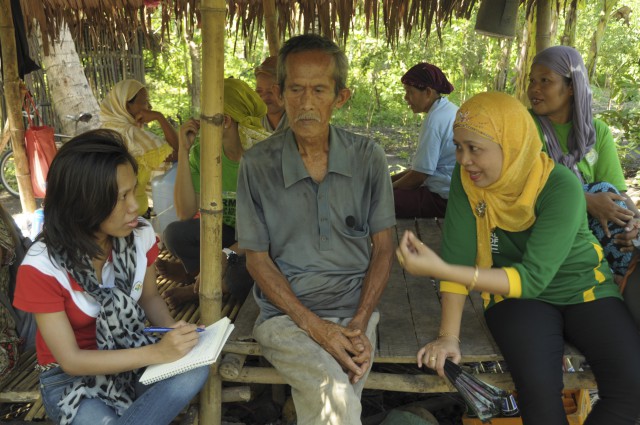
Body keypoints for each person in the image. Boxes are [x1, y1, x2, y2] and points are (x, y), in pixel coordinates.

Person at [397, 92, 640, 425]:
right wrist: (448, 337)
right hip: (515, 298)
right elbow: (457, 255)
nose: (463, 159)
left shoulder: (561, 186)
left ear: (510, 145)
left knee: (633, 391)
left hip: (585, 288)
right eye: (458, 146)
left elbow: (532, 277)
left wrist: (443, 269)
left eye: (475, 148)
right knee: (539, 395)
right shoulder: (468, 180)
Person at [236, 34, 396, 425]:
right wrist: (314, 327)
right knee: (334, 391)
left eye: (319, 90)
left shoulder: (367, 157)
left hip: (354, 314)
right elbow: (257, 260)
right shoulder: (257, 164)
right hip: (285, 319)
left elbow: (384, 249)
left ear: (340, 97)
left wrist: (359, 321)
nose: (306, 103)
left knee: (336, 396)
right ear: (280, 92)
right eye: (295, 89)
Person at [13, 130, 209, 425]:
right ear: (84, 203)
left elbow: (150, 297)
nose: (136, 206)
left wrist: (172, 331)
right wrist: (156, 353)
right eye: (122, 198)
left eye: (134, 191)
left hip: (133, 355)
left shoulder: (139, 234)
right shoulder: (43, 266)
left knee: (196, 368)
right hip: (70, 381)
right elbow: (72, 360)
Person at [528, 45, 639, 278]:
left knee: (611, 198)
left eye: (545, 80)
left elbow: (618, 194)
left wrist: (636, 225)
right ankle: (617, 271)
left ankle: (621, 269)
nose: (534, 89)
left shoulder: (596, 131)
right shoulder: (524, 127)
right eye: (532, 81)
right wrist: (585, 200)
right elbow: (525, 186)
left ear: (571, 87)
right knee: (598, 190)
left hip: (593, 230)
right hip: (543, 222)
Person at [160, 78, 270, 309]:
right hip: (230, 236)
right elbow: (185, 212)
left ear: (226, 121)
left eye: (204, 116)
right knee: (175, 234)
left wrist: (225, 255)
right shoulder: (204, 152)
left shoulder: (262, 158)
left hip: (261, 243)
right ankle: (203, 276)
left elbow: (267, 233)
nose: (198, 122)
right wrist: (183, 150)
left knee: (241, 276)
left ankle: (195, 287)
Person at [100, 79, 179, 218]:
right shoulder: (131, 135)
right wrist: (159, 117)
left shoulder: (103, 131)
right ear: (127, 106)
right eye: (145, 102)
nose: (149, 106)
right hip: (132, 213)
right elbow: (177, 153)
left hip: (104, 212)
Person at [392, 62, 458, 218]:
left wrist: (386, 190)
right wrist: (387, 182)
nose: (406, 98)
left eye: (410, 92)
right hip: (453, 194)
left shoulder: (434, 121)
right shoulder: (448, 110)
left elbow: (418, 177)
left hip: (442, 199)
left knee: (375, 201)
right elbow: (420, 169)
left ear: (428, 92)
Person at [254, 56, 289, 132]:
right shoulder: (253, 121)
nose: (264, 97)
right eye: (259, 91)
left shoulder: (298, 119)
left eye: (271, 91)